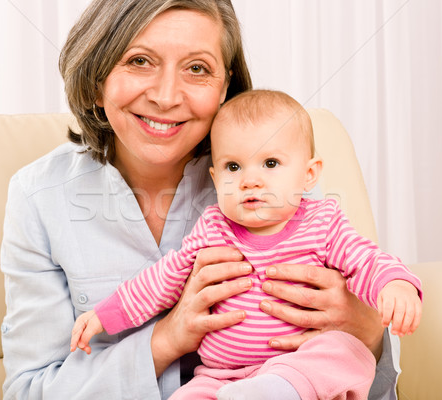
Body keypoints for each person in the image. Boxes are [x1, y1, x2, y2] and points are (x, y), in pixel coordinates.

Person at [0, 1, 406, 399]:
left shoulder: (271, 170)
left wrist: (368, 330)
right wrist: (166, 339)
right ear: (96, 75)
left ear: (224, 87)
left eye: (197, 68)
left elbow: (366, 369)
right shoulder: (38, 198)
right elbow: (30, 392)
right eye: (140, 61)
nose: (166, 96)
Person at [70, 89, 423, 400]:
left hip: (299, 364)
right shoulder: (212, 228)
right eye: (233, 166)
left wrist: (396, 286)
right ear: (215, 177)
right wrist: (104, 316)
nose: (250, 181)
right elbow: (161, 280)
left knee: (342, 352)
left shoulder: (323, 223)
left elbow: (367, 261)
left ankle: (275, 391)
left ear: (309, 174)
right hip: (222, 375)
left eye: (270, 163)